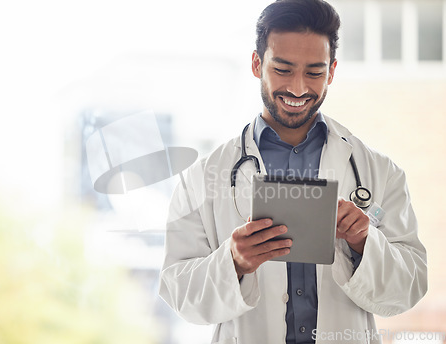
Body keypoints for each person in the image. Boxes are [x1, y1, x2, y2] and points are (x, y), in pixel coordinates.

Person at [159, 1, 427, 343]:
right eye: (283, 69)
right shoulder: (200, 178)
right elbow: (177, 292)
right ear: (258, 64)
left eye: (314, 72)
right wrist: (233, 262)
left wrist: (364, 243)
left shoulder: (380, 172)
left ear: (331, 72)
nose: (298, 88)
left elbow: (410, 288)